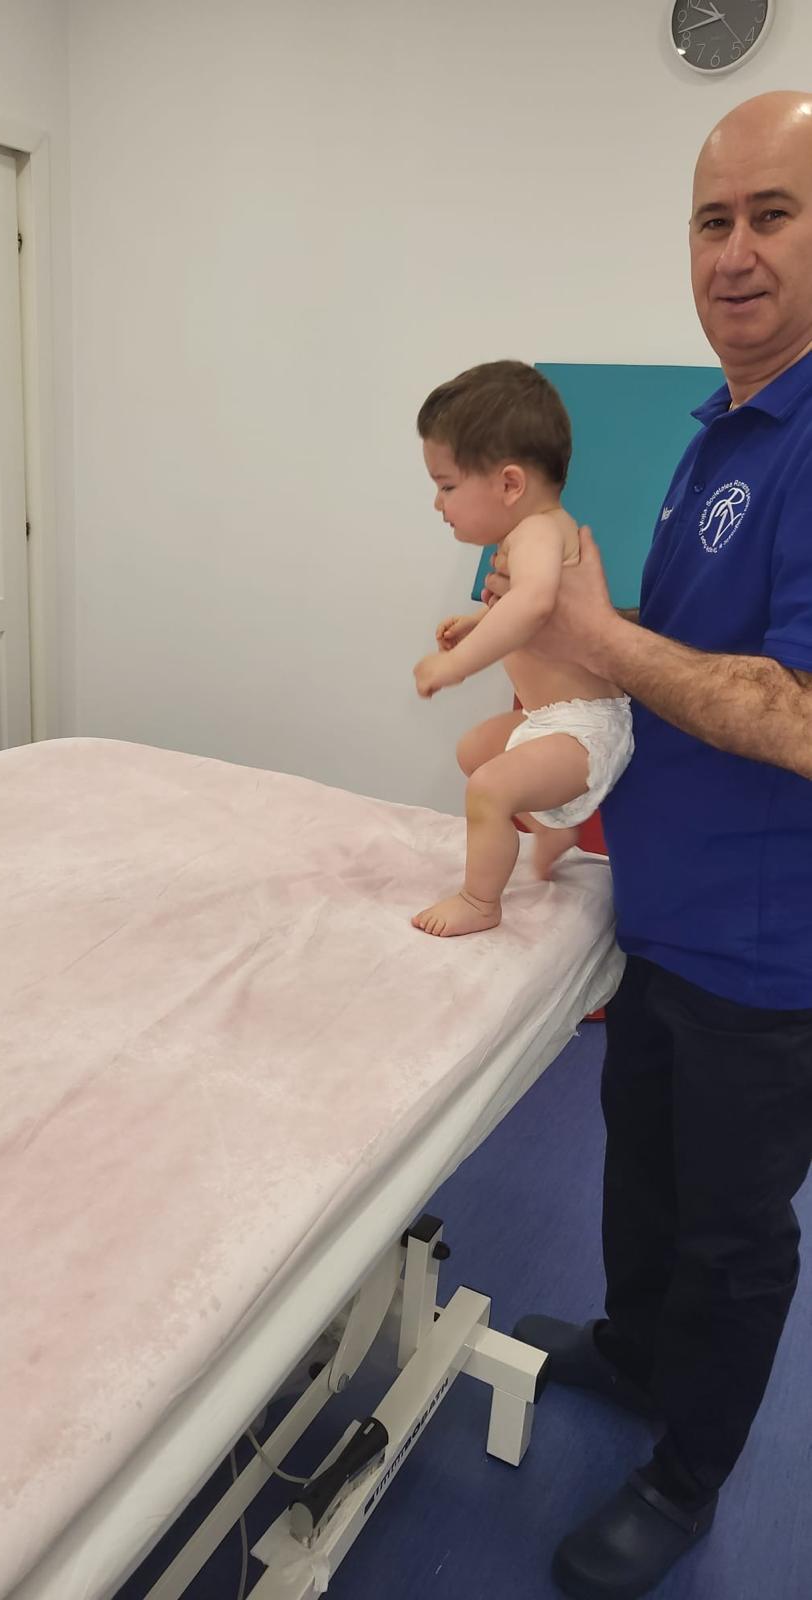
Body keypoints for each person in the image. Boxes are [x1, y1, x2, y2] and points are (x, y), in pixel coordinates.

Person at [481, 92, 812, 1600]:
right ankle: (630, 1347)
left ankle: (689, 1472)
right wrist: (558, 653)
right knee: (645, 1169)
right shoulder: (718, 432)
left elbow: (797, 715)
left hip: (769, 944)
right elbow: (679, 662)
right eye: (711, 220)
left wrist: (598, 633)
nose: (733, 253)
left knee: (733, 1232)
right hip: (667, 913)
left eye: (773, 215)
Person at [410, 360, 633, 937]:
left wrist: (456, 665)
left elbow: (532, 605)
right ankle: (552, 828)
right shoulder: (528, 535)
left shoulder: (538, 531)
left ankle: (480, 901)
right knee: (474, 751)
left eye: (447, 486)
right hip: (549, 720)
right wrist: (476, 621)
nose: (438, 504)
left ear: (510, 484)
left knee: (488, 788)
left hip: (586, 728)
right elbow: (528, 607)